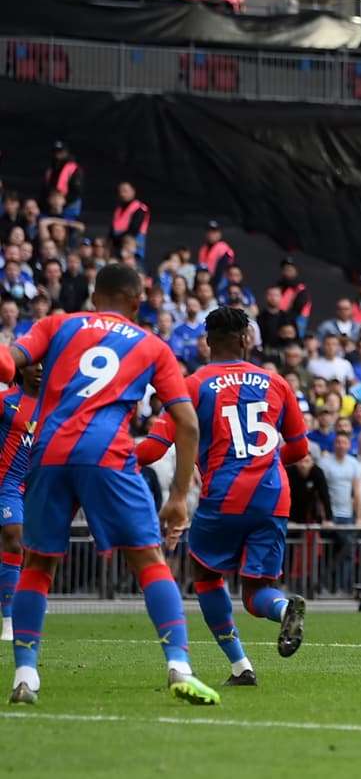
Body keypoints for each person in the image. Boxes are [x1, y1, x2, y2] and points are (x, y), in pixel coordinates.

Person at [0, 264, 218, 705]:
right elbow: (188, 424)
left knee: (39, 564)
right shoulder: (152, 344)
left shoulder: (57, 324)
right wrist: (178, 498)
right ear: (138, 303)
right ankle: (179, 665)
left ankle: (26, 674)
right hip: (107, 453)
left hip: (50, 449)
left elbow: (9, 361)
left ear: (94, 296)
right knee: (148, 559)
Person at [137, 307, 310, 686]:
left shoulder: (194, 384)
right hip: (273, 493)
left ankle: (240, 666)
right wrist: (262, 461)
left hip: (226, 492)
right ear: (247, 339)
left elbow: (154, 447)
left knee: (206, 573)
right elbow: (299, 450)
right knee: (255, 592)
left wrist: (110, 458)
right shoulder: (277, 383)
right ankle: (283, 610)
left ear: (207, 342)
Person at [0, 365, 39, 642]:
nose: (39, 368)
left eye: (44, 363)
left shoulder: (57, 404)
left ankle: (18, 612)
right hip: (7, 482)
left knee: (29, 547)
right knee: (14, 537)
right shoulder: (6, 402)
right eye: (33, 363)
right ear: (20, 369)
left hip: (38, 485)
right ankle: (9, 621)